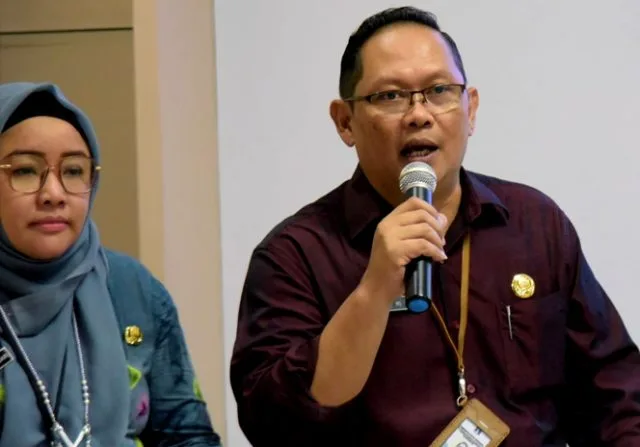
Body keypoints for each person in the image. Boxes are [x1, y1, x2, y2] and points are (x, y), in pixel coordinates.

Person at [230, 6, 640, 447]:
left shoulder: (534, 224)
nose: (419, 115)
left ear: (471, 108)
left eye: (439, 90)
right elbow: (272, 423)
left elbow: (617, 394)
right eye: (390, 96)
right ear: (345, 122)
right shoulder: (294, 255)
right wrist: (373, 292)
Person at [0, 82, 223, 446]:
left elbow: (185, 436)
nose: (53, 194)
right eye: (25, 171)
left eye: (74, 171)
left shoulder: (131, 289)